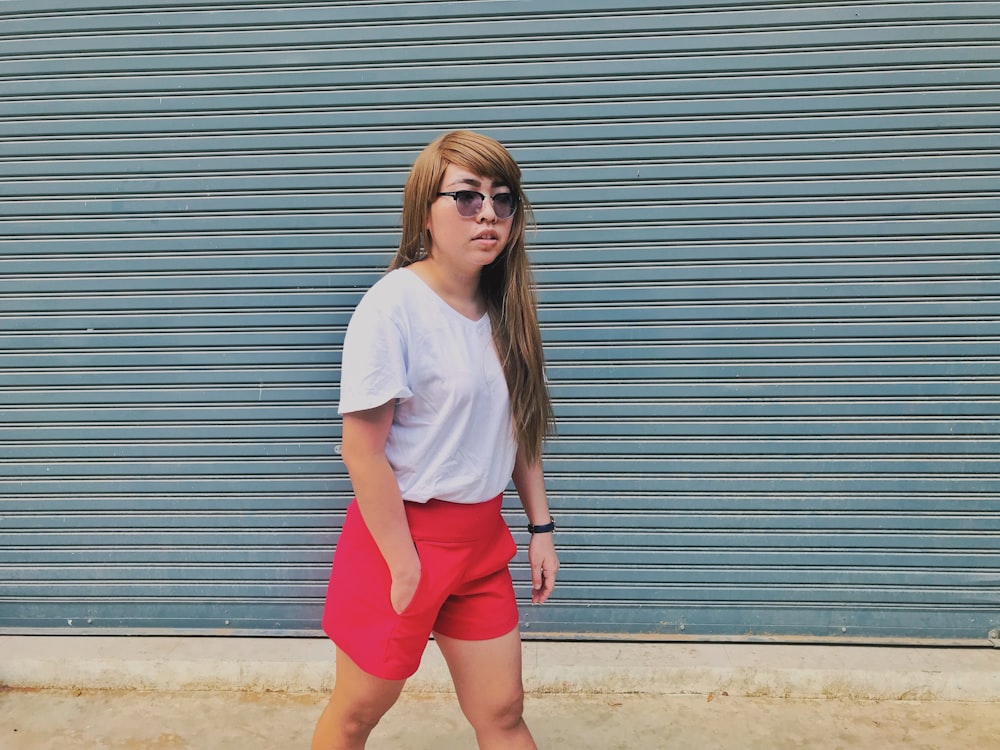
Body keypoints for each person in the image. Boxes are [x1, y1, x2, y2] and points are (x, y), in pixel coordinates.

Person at [311, 130, 559, 750]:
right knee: (357, 712)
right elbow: (360, 449)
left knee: (502, 711)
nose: (489, 215)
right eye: (468, 197)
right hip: (402, 541)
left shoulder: (506, 310)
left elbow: (520, 429)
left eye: (504, 200)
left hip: (481, 543)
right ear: (426, 209)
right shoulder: (392, 307)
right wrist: (402, 565)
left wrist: (540, 528)